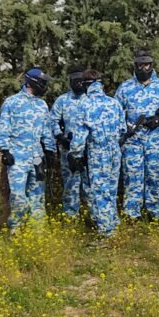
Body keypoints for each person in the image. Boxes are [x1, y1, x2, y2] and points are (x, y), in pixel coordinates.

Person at [115, 51, 159, 221]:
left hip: (155, 139)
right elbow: (116, 112)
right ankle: (132, 213)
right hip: (132, 140)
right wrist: (127, 127)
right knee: (132, 176)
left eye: (146, 65)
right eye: (140, 65)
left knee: (154, 175)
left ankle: (155, 212)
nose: (143, 68)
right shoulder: (125, 88)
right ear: (135, 66)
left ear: (151, 65)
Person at [67, 70, 124, 243]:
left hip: (97, 152)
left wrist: (74, 154)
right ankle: (112, 223)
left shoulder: (85, 105)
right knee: (111, 190)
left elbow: (79, 135)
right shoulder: (114, 103)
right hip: (115, 151)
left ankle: (106, 233)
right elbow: (123, 129)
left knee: (100, 191)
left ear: (86, 85)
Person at [0, 68, 55, 229]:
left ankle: (37, 231)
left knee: (37, 196)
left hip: (37, 155)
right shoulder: (12, 102)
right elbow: (3, 127)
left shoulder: (42, 105)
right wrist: (5, 150)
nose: (45, 85)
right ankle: (16, 228)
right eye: (43, 82)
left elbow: (46, 130)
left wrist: (49, 151)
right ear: (31, 82)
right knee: (17, 195)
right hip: (17, 156)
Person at [51, 67, 88, 218]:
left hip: (88, 149)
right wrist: (60, 136)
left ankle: (93, 214)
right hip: (68, 149)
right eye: (75, 81)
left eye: (81, 81)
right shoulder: (62, 100)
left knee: (89, 183)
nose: (78, 84)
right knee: (70, 183)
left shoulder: (92, 100)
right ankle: (71, 216)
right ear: (70, 82)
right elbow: (52, 120)